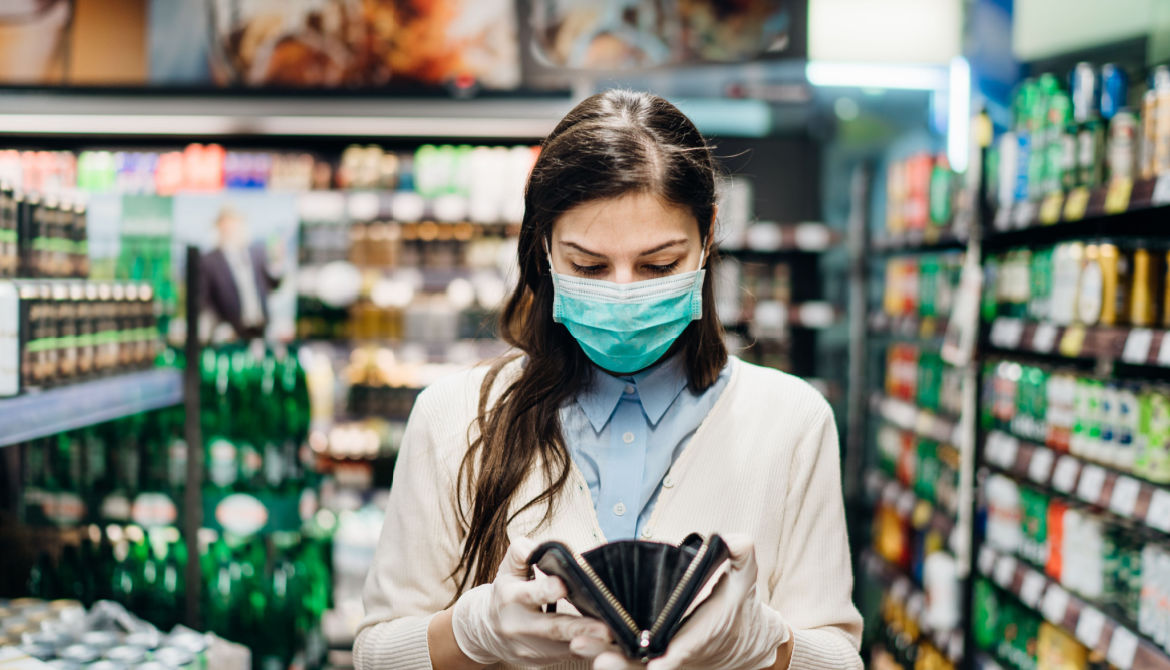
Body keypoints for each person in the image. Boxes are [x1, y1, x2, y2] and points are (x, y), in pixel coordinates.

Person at [354, 90, 863, 670]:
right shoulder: (455, 417)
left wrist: (762, 644)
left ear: (707, 237)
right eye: (589, 266)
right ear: (544, 247)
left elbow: (840, 657)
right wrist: (474, 631)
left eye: (659, 265)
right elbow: (375, 653)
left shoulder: (792, 420)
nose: (623, 292)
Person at [199, 206, 281, 340]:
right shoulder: (209, 261)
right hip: (230, 333)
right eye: (228, 227)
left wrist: (277, 263)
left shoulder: (257, 254)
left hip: (262, 329)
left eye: (236, 226)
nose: (233, 231)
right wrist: (218, 325)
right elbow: (204, 299)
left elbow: (273, 285)